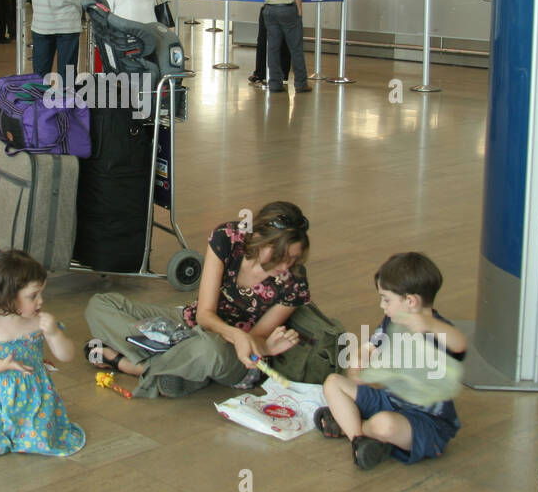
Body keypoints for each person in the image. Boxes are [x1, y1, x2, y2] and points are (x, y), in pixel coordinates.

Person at [84, 201, 311, 398]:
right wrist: (235, 333)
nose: (284, 266)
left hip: (231, 354)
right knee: (100, 305)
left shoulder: (294, 282)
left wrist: (266, 349)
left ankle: (128, 365)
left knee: (209, 350)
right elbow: (204, 316)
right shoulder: (227, 238)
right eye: (279, 256)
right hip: (191, 323)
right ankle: (182, 367)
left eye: (292, 259)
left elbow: (255, 340)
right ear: (259, 238)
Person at [317, 252, 467, 470]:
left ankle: (351, 425)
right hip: (389, 401)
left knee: (384, 425)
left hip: (425, 422)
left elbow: (459, 344)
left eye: (386, 299)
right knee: (332, 382)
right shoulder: (392, 320)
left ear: (410, 301)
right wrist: (358, 363)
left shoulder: (439, 331)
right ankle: (359, 440)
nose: (382, 305)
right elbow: (368, 347)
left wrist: (430, 326)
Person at [0, 250, 85, 456]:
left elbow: (67, 355)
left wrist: (54, 333)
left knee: (38, 440)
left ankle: (27, 431)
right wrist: (1, 365)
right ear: (8, 296)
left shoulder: (39, 322)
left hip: (34, 398)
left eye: (41, 293)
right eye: (33, 296)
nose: (40, 301)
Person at [249, 0, 294, 86]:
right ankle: (260, 73)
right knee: (263, 41)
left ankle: (282, 75)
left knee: (284, 43)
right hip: (269, 8)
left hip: (286, 9)